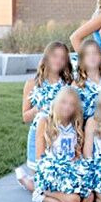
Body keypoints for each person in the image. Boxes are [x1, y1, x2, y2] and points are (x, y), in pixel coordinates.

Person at [17, 41, 73, 188]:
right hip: (39, 138)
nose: (58, 60)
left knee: (62, 184)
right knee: (43, 184)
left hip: (61, 139)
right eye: (54, 56)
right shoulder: (32, 84)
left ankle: (30, 182)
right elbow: (25, 117)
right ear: (46, 57)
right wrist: (38, 109)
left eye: (62, 58)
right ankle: (26, 180)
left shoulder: (67, 85)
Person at [31, 87, 85, 202]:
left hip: (70, 172)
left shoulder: (75, 124)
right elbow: (40, 157)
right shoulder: (45, 121)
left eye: (72, 104)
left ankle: (36, 187)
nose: (67, 107)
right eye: (63, 102)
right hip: (52, 174)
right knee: (74, 201)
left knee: (87, 199)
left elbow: (77, 154)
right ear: (56, 102)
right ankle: (41, 195)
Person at [73, 40, 101, 119]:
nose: (92, 57)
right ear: (82, 59)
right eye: (87, 54)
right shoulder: (77, 83)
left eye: (95, 53)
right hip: (88, 121)